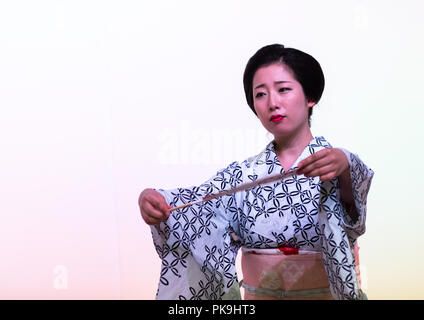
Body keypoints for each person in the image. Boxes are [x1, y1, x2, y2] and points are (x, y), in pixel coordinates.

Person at [138, 44, 374, 300]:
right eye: (260, 94)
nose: (272, 103)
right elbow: (197, 206)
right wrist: (156, 201)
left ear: (310, 96)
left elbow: (353, 215)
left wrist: (345, 167)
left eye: (283, 89)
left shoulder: (335, 165)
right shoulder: (242, 175)